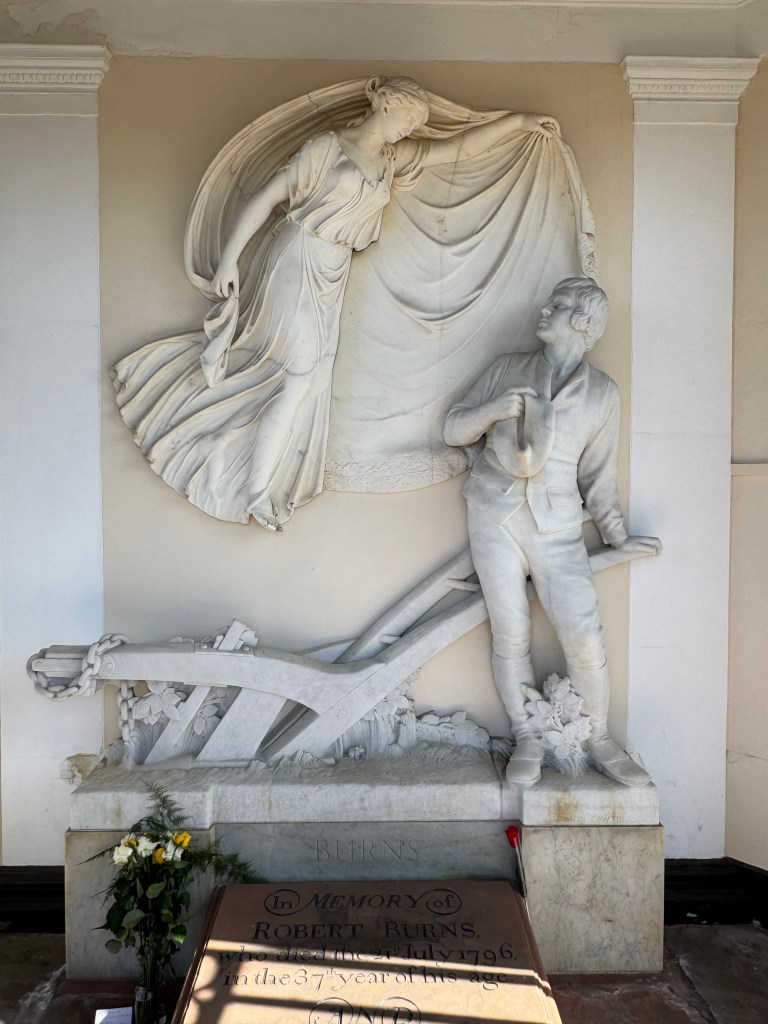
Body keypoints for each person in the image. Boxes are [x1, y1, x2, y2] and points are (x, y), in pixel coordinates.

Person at [113, 76, 559, 530]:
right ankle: (256, 490)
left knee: (309, 381)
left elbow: (458, 149)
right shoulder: (327, 148)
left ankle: (256, 478)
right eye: (408, 118)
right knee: (299, 376)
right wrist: (229, 259)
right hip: (297, 256)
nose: (410, 129)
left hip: (334, 270)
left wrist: (518, 122)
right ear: (386, 105)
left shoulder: (390, 158)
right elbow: (269, 197)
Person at [443, 277, 661, 787]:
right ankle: (526, 737)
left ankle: (599, 737)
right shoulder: (506, 370)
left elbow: (598, 477)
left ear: (583, 323)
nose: (545, 309)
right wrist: (497, 409)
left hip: (558, 522)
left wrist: (614, 534)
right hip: (493, 512)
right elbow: (452, 429)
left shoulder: (603, 393)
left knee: (584, 635)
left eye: (559, 306)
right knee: (510, 631)